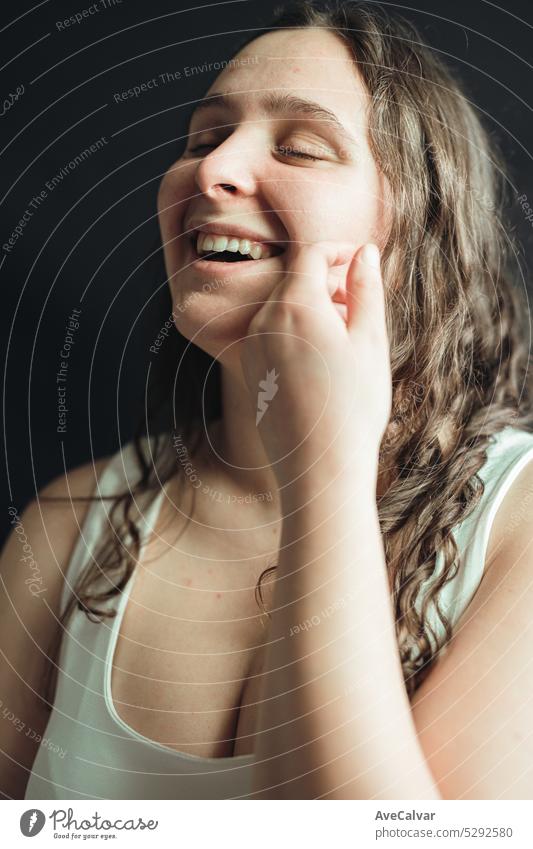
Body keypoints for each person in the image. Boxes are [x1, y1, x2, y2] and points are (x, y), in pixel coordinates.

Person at [2, 0, 533, 800]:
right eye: (204, 137)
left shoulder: (517, 532)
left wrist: (320, 467)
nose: (209, 171)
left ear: (422, 226)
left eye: (302, 147)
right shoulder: (68, 526)